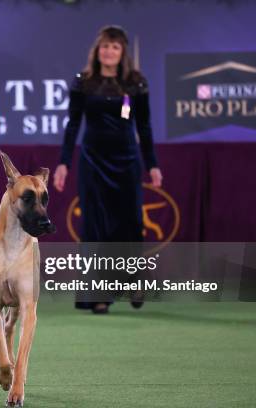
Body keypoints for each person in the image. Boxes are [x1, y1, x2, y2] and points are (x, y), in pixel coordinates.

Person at [53, 25, 163, 314]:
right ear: (97, 50)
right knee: (94, 227)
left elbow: (145, 126)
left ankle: (134, 281)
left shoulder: (136, 83)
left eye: (115, 47)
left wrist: (152, 165)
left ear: (122, 52)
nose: (109, 51)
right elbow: (73, 124)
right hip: (93, 161)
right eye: (105, 46)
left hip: (127, 161)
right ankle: (98, 295)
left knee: (129, 225)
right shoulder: (83, 82)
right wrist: (64, 162)